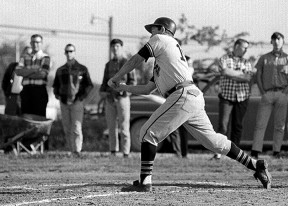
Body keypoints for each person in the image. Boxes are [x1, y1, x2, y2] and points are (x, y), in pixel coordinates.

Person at [107, 17, 271, 192]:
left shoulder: (161, 39)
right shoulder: (165, 58)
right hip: (191, 97)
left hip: (182, 95)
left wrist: (116, 77)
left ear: (162, 29)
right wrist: (123, 87)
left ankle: (145, 182)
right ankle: (256, 164)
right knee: (214, 143)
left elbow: (135, 60)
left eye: (153, 29)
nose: (150, 34)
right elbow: (148, 88)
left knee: (148, 134)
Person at [251, 32, 288, 158]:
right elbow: (258, 75)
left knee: (280, 125)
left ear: (283, 41)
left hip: (282, 93)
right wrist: (262, 91)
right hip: (267, 93)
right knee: (260, 124)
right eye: (274, 39)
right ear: (271, 42)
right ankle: (255, 151)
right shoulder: (264, 58)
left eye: (279, 39)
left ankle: (277, 151)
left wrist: (285, 92)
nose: (276, 42)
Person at [212, 38, 253, 159]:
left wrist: (231, 74)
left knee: (237, 126)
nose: (246, 50)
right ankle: (217, 153)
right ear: (236, 46)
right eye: (244, 47)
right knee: (223, 126)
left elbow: (248, 78)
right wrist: (240, 74)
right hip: (226, 96)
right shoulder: (224, 58)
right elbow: (224, 71)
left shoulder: (247, 62)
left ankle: (235, 155)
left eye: (247, 48)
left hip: (242, 97)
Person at [53, 44, 93, 156]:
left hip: (77, 102)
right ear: (65, 53)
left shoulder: (82, 69)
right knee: (67, 127)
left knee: (76, 126)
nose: (69, 53)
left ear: (74, 52)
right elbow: (55, 85)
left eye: (71, 51)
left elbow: (89, 85)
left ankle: (77, 150)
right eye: (67, 51)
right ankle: (71, 150)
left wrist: (81, 97)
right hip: (64, 102)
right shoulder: (60, 70)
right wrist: (58, 95)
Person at [99, 39, 135, 157]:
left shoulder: (128, 63)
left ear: (121, 47)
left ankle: (126, 152)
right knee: (111, 127)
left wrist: (126, 92)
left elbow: (133, 81)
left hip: (123, 98)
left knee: (124, 126)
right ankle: (113, 151)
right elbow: (104, 82)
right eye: (113, 46)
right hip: (110, 99)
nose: (115, 48)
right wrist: (102, 92)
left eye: (117, 46)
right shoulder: (108, 65)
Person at [15, 34, 51, 117]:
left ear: (41, 43)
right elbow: (18, 71)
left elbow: (43, 74)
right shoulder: (24, 57)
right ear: (30, 43)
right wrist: (34, 70)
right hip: (26, 90)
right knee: (26, 117)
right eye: (33, 42)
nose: (35, 44)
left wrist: (26, 72)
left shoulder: (45, 57)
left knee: (39, 117)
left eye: (38, 42)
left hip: (39, 91)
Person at [1, 46, 32, 115]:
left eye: (30, 54)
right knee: (10, 118)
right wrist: (7, 93)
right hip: (12, 97)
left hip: (25, 98)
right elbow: (5, 81)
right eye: (26, 53)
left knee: (23, 118)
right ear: (22, 54)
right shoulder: (13, 66)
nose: (27, 56)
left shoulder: (32, 69)